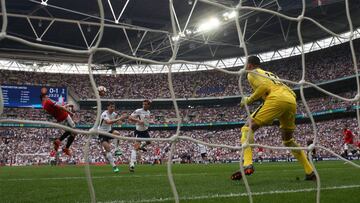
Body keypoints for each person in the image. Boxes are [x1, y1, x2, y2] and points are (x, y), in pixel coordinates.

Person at [231, 56, 315, 181]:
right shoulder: (269, 73)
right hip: (291, 100)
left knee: (246, 128)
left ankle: (247, 163)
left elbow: (264, 87)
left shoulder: (251, 73)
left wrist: (249, 100)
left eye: (245, 64)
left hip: (276, 99)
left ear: (249, 65)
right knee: (288, 140)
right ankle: (310, 171)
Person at [40, 87, 76, 156]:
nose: (48, 97)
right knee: (74, 132)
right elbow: (61, 107)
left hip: (60, 119)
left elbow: (59, 107)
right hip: (65, 116)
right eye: (46, 96)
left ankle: (61, 143)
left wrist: (68, 105)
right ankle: (64, 146)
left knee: (70, 131)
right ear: (43, 98)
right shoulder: (48, 101)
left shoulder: (44, 106)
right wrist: (70, 112)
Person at [98, 102, 127, 173]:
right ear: (107, 107)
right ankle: (114, 166)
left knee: (117, 133)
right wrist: (120, 118)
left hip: (109, 130)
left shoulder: (114, 114)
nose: (112, 108)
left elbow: (119, 122)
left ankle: (117, 150)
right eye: (111, 107)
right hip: (102, 132)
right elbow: (108, 122)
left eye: (113, 107)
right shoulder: (104, 114)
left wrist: (122, 120)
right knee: (108, 149)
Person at [128, 99, 152, 172]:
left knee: (149, 142)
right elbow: (130, 118)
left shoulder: (148, 112)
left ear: (149, 105)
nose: (144, 105)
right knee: (135, 147)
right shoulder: (138, 111)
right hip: (138, 131)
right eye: (143, 104)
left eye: (145, 104)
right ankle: (132, 164)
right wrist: (138, 121)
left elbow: (146, 121)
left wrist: (148, 123)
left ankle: (141, 147)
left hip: (145, 131)